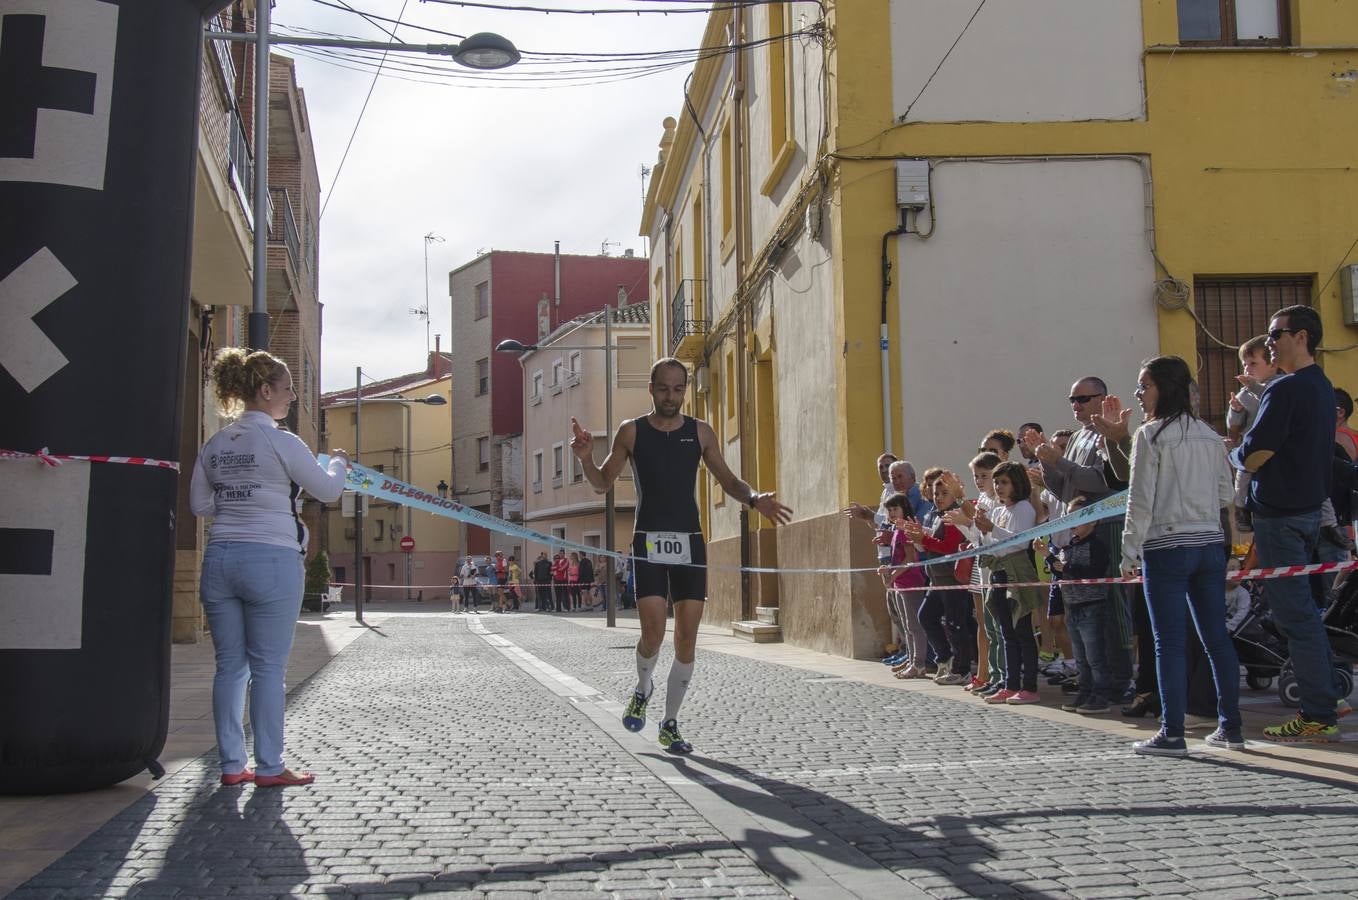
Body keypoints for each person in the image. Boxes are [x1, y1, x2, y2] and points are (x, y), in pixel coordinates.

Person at [571, 357, 792, 754]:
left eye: (678, 389)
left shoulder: (701, 432)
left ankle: (670, 722)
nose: (670, 397)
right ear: (651, 389)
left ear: (685, 390)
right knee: (653, 636)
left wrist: (756, 498)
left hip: (690, 541)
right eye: (663, 389)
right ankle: (643, 688)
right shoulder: (631, 432)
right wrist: (586, 456)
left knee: (687, 640)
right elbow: (603, 483)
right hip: (649, 541)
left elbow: (727, 479)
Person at [190, 348, 348, 788]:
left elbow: (199, 504)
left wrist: (237, 496)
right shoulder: (283, 442)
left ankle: (229, 766)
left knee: (229, 668)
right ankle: (270, 767)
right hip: (272, 559)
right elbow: (328, 490)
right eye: (287, 388)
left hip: (220, 559)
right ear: (265, 391)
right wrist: (338, 461)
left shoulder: (216, 443)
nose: (293, 396)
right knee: (268, 669)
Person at [1231, 305, 1346, 742]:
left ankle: (1318, 711)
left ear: (1301, 337)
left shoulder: (1286, 389)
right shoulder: (1320, 386)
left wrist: (1233, 456)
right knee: (1303, 614)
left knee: (1295, 617)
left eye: (1275, 334)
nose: (1270, 341)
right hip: (1307, 513)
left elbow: (1257, 451)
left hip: (1280, 517)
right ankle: (1327, 698)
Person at [1120, 356, 1242, 756]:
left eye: (1144, 386)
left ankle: (1172, 732)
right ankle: (1231, 726)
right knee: (1216, 638)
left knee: (1168, 642)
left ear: (1163, 388)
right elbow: (1227, 495)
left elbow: (1140, 502)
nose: (1139, 394)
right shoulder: (1210, 435)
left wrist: (1128, 553)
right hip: (1209, 543)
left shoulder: (1150, 435)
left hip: (1166, 546)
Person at [1052, 496, 1113, 715]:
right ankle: (1085, 691)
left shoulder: (1097, 545)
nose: (1072, 521)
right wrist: (1050, 559)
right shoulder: (1069, 546)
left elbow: (1093, 572)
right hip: (1072, 607)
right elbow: (1061, 570)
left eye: (1078, 516)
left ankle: (1101, 694)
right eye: (1070, 516)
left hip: (1091, 606)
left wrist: (1067, 568)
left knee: (1095, 656)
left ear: (1094, 520)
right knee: (1081, 657)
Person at [876, 494, 929, 678]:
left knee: (915, 625)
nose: (891, 513)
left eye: (895, 509)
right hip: (900, 583)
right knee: (907, 626)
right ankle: (911, 659)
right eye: (889, 510)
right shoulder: (895, 531)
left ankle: (919, 663)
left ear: (904, 509)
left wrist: (893, 575)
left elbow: (910, 558)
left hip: (911, 582)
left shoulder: (905, 530)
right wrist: (889, 571)